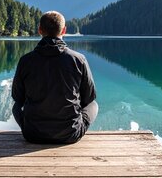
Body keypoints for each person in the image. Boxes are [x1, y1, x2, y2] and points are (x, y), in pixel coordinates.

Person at [11, 11, 98, 144]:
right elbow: (89, 98)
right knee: (93, 104)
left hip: (33, 134)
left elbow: (18, 98)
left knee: (16, 106)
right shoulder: (78, 60)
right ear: (64, 30)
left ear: (40, 30)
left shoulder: (26, 61)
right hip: (70, 134)